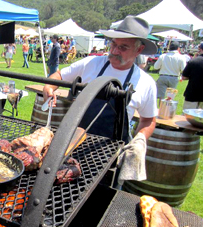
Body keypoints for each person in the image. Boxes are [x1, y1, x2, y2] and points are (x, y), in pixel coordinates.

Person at [43, 15, 158, 144]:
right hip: (75, 142)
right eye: (113, 44)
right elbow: (58, 76)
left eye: (123, 48)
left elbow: (148, 120)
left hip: (112, 151)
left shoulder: (146, 83)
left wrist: (139, 141)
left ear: (139, 50)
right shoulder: (91, 63)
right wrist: (49, 87)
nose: (114, 51)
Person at [181, 43, 203, 110]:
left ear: (200, 49)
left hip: (193, 93)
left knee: (187, 117)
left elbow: (184, 77)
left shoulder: (193, 61)